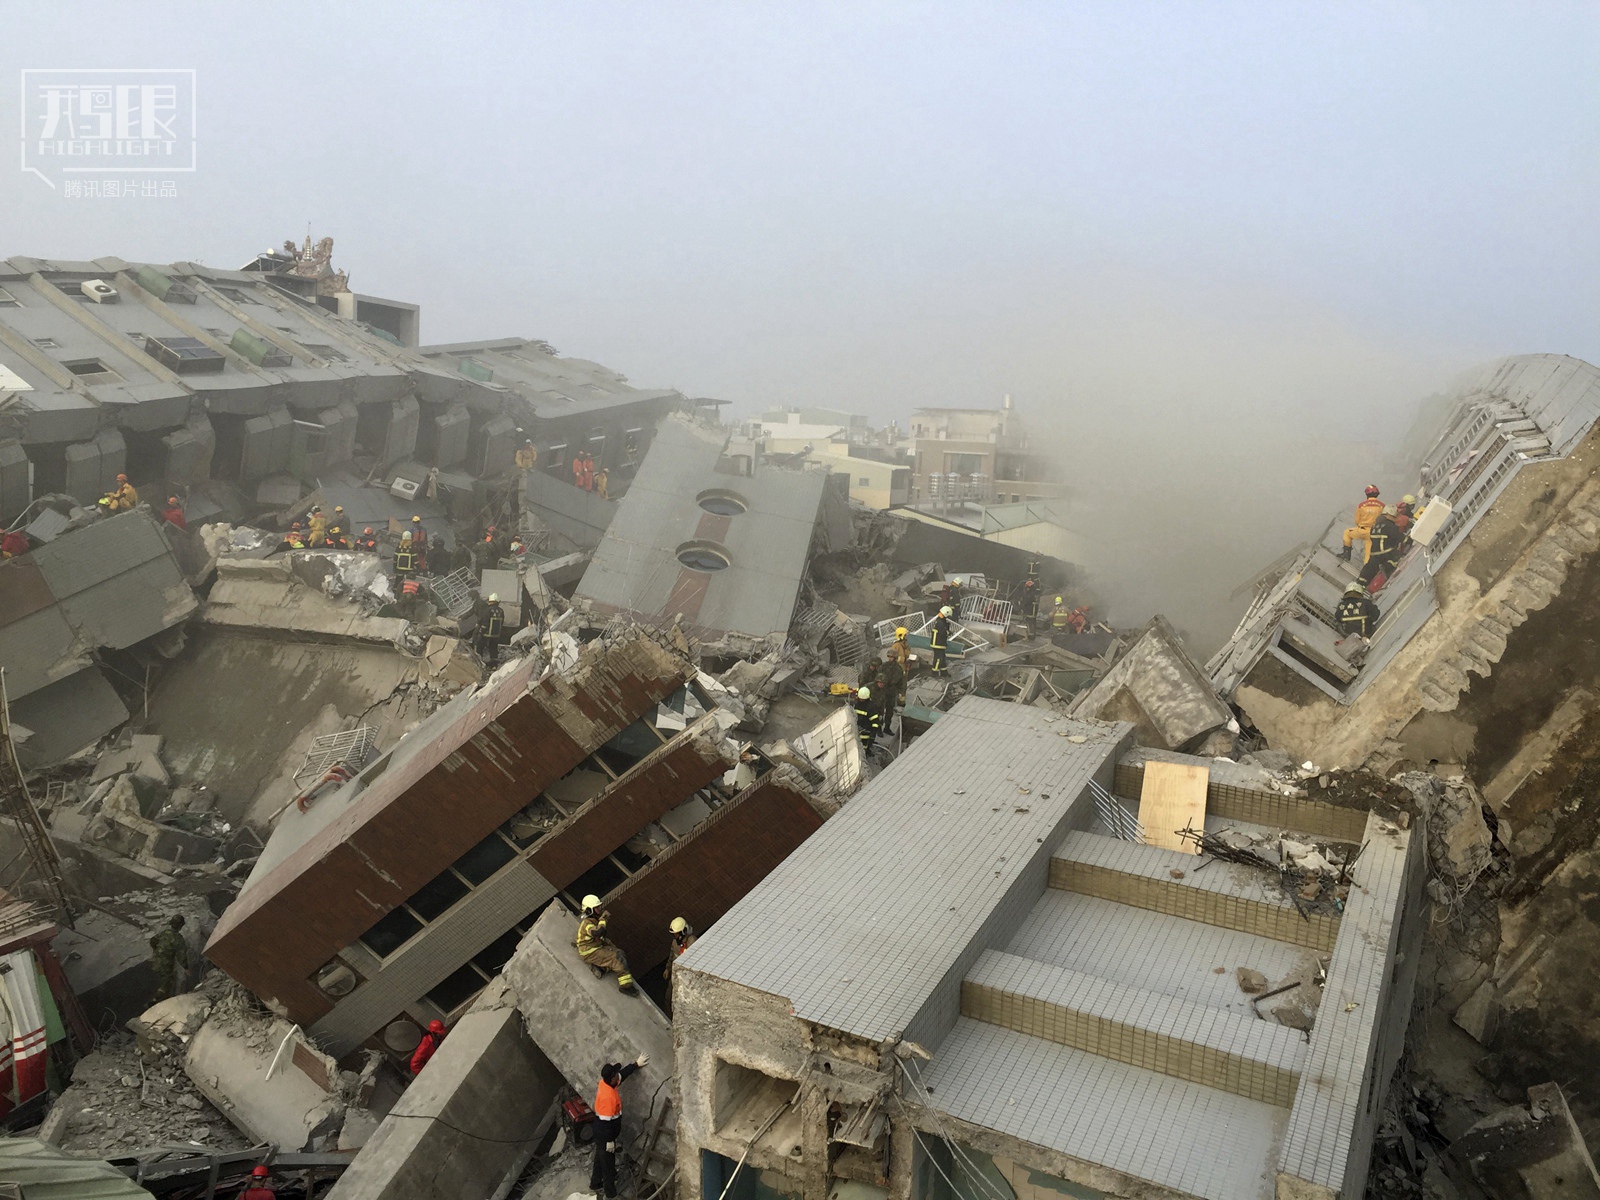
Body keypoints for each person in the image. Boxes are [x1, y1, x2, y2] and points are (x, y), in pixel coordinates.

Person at [590, 1054, 651, 1199]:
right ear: (612, 1078)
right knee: (608, 1165)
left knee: (600, 1158)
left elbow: (622, 1075)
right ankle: (610, 1194)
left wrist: (635, 1064)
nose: (618, 1076)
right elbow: (606, 1124)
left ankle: (595, 1183)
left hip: (601, 1131)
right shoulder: (608, 1098)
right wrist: (610, 1141)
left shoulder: (606, 1083)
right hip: (604, 1133)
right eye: (615, 1075)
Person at [574, 895, 636, 993]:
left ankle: (600, 968)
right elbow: (597, 932)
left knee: (620, 952)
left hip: (595, 947)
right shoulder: (587, 923)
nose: (600, 909)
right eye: (597, 907)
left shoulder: (594, 920)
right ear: (590, 910)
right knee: (616, 958)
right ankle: (626, 986)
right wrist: (603, 920)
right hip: (589, 952)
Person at [1339, 485, 1385, 562]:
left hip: (1362, 531)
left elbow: (1357, 521)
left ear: (1367, 494)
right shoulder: (1382, 505)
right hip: (1374, 533)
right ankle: (1367, 571)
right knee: (1368, 556)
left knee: (1347, 532)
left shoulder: (1361, 505)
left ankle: (1346, 554)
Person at [149, 915, 188, 1001]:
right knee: (167, 983)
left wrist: (156, 950)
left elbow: (152, 940)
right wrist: (186, 968)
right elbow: (181, 956)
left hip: (156, 961)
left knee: (159, 979)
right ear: (181, 926)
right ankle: (156, 1001)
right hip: (166, 964)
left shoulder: (165, 932)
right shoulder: (179, 939)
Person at [664, 916, 696, 983]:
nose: (675, 936)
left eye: (676, 934)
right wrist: (668, 968)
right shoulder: (675, 942)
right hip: (676, 974)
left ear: (683, 932)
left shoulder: (692, 942)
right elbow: (672, 955)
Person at [479, 593, 506, 664]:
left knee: (479, 646)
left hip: (486, 634)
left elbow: (485, 621)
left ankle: (479, 661)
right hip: (496, 634)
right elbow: (502, 622)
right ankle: (494, 664)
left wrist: (481, 630)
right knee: (493, 648)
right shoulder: (501, 611)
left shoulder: (488, 610)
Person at [854, 686, 880, 751]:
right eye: (860, 699)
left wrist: (873, 733)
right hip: (857, 729)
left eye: (863, 699)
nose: (861, 700)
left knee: (864, 746)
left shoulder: (871, 707)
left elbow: (875, 722)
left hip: (867, 731)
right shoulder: (857, 704)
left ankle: (866, 754)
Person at [929, 607, 952, 676]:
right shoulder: (940, 623)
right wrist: (948, 632)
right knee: (938, 659)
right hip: (938, 643)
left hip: (938, 643)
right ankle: (934, 673)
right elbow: (943, 633)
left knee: (943, 658)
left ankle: (943, 672)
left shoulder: (939, 621)